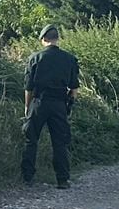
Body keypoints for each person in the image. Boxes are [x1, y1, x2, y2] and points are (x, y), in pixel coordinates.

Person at [21, 23, 81, 189]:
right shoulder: (69, 59)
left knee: (31, 139)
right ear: (57, 39)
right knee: (59, 142)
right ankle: (62, 179)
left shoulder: (35, 58)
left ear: (43, 39)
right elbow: (74, 88)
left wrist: (27, 107)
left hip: (39, 102)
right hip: (59, 104)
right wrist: (69, 105)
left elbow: (28, 88)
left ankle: (27, 178)